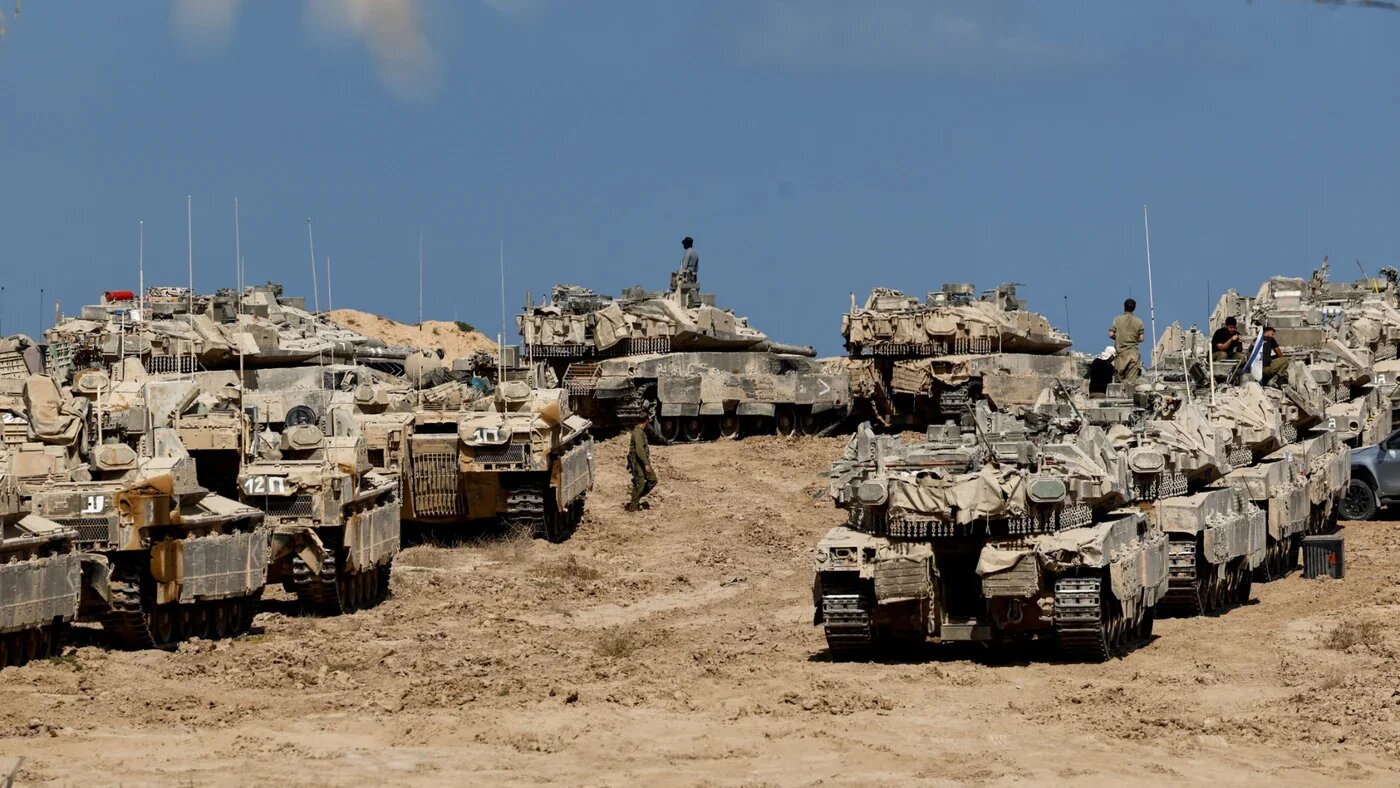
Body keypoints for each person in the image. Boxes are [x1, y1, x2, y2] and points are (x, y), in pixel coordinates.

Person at [1108, 298, 1145, 383]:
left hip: (1121, 355)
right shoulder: (1139, 321)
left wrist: (1119, 338)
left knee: (1119, 384)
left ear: (1124, 307)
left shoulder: (1117, 319)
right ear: (1134, 308)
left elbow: (1110, 334)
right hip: (1133, 354)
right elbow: (1141, 338)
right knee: (1130, 385)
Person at [626, 413, 658, 511]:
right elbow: (639, 450)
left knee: (653, 479)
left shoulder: (640, 431)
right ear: (646, 421)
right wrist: (646, 464)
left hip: (641, 460)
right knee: (640, 483)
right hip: (637, 461)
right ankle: (633, 507)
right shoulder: (637, 432)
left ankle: (636, 497)